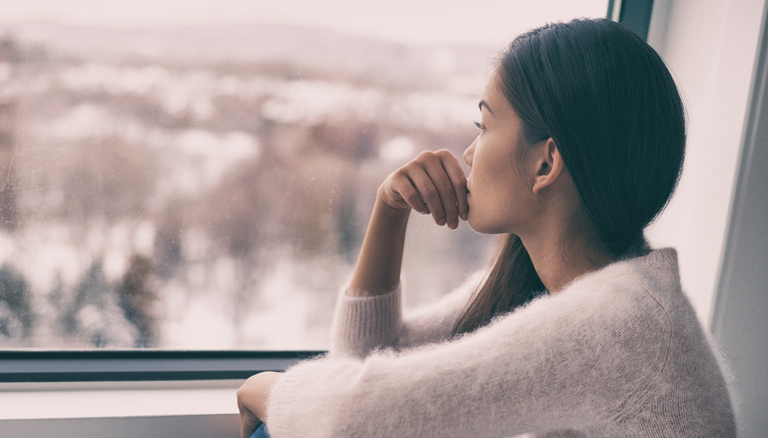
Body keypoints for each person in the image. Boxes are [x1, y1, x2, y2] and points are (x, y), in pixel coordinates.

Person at [236, 18, 736, 437]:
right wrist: (389, 210)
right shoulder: (560, 277)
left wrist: (267, 389)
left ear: (546, 164)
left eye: (484, 126)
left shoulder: (619, 323)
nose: (470, 153)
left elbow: (349, 421)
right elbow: (368, 361)